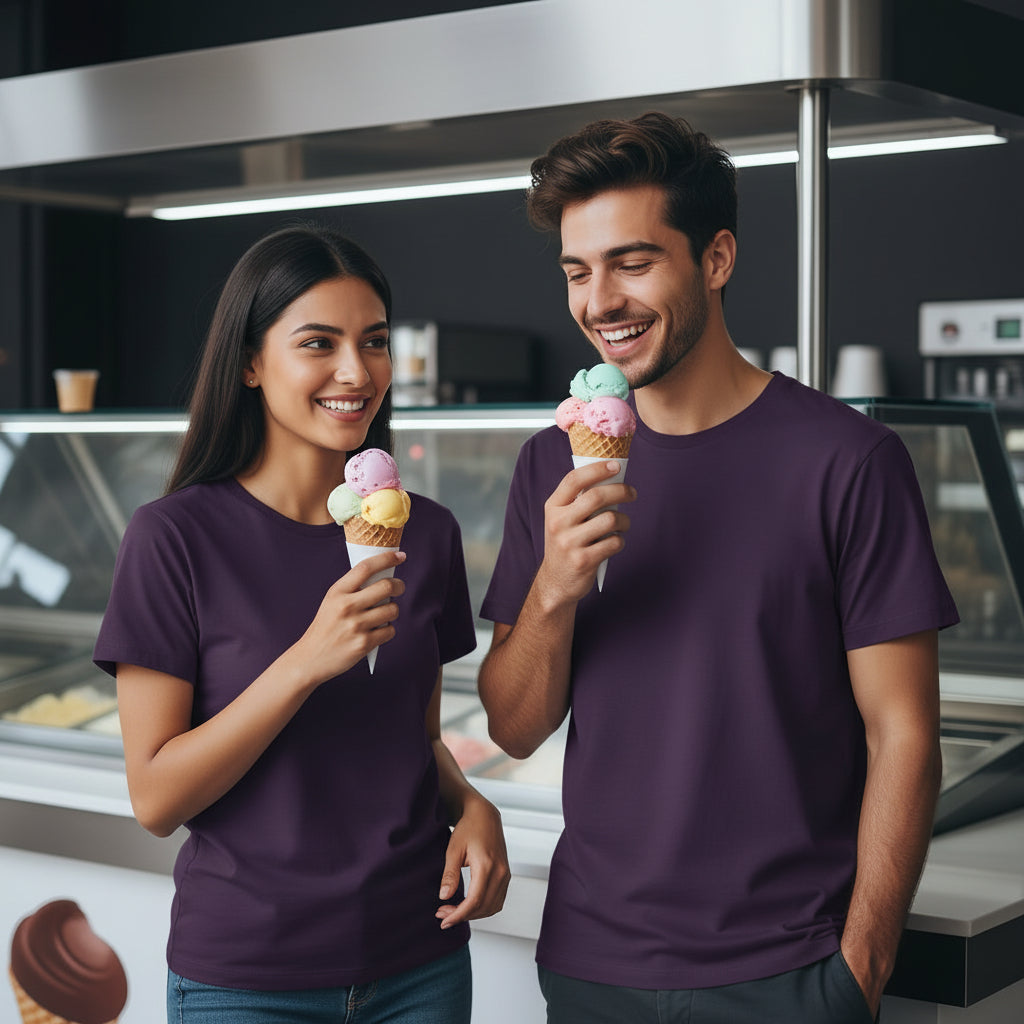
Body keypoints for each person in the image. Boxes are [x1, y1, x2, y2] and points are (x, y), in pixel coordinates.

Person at [478, 112, 958, 1023]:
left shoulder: (848, 461)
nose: (599, 301)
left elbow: (904, 733)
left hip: (788, 972)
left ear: (717, 258)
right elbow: (513, 725)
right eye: (578, 272)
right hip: (592, 964)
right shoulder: (554, 463)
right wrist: (553, 589)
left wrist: (859, 967)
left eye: (633, 262)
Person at [94, 223, 509, 1024]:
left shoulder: (430, 533)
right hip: (248, 978)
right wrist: (304, 662)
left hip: (419, 960)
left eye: (375, 341)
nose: (356, 371)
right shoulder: (172, 537)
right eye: (318, 342)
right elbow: (155, 798)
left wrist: (471, 805)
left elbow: (414, 740)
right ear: (251, 362)